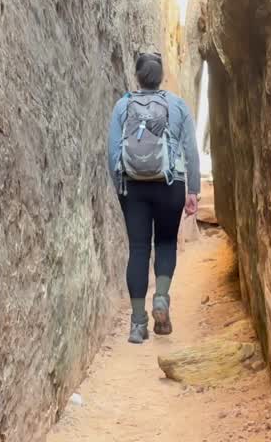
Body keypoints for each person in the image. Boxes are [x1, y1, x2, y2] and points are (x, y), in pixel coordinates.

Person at [106, 51, 201, 344]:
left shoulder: (123, 106)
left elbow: (112, 153)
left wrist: (120, 187)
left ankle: (137, 323)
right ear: (161, 76)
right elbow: (191, 152)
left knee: (138, 249)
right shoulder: (177, 105)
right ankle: (160, 297)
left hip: (133, 185)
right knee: (165, 242)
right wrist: (193, 191)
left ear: (137, 75)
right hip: (171, 183)